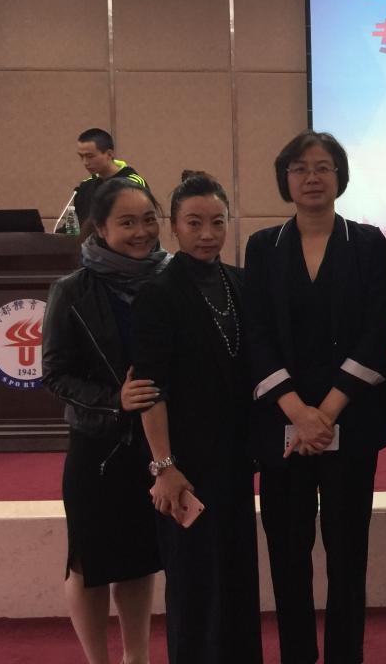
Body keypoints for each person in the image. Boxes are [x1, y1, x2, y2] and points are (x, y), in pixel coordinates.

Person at [243, 131, 386, 664]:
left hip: (349, 420)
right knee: (287, 554)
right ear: (285, 179)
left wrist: (324, 414)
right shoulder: (263, 247)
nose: (312, 177)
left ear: (340, 177)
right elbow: (255, 334)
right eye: (300, 168)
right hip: (281, 425)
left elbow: (375, 332)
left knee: (348, 554)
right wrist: (296, 412)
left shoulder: (369, 243)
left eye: (323, 167)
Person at [131, 172, 262, 664]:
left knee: (237, 576)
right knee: (193, 583)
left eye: (217, 222)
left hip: (234, 459)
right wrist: (164, 466)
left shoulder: (240, 282)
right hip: (184, 464)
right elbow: (150, 390)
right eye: (194, 223)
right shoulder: (157, 293)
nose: (207, 234)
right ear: (173, 226)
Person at [42, 177, 168, 664]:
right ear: (100, 228)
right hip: (97, 446)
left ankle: (137, 657)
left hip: (156, 445)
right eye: (127, 222)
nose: (142, 232)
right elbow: (56, 373)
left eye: (149, 220)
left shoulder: (171, 279)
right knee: (88, 563)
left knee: (138, 560)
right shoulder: (71, 290)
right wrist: (116, 400)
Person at [72, 128, 148, 226]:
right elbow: (75, 226)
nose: (85, 162)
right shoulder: (85, 186)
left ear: (109, 154)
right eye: (81, 156)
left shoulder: (132, 184)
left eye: (90, 156)